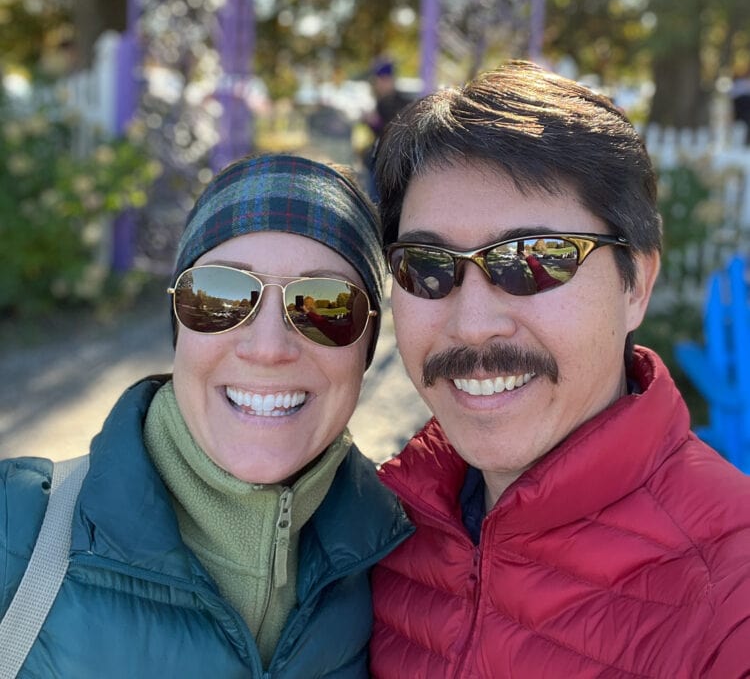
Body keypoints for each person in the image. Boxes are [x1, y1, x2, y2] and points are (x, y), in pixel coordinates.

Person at [368, 61, 750, 678]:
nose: (472, 323)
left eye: (532, 261)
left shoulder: (732, 596)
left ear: (637, 284)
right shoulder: (373, 532)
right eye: (428, 266)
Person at [0, 153, 412, 678]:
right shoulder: (13, 531)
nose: (268, 348)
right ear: (179, 325)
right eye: (221, 296)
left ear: (366, 347)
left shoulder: (401, 560)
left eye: (324, 304)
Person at [359, 57, 413, 199]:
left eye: (382, 79)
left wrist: (375, 122)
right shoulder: (382, 100)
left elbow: (395, 133)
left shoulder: (398, 102)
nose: (378, 84)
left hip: (391, 164)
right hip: (380, 161)